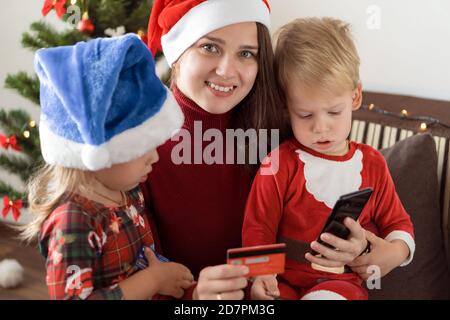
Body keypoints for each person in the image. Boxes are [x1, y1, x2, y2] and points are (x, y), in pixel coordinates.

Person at [243, 17, 415, 300]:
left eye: (334, 112)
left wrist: (397, 252)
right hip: (282, 283)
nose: (321, 127)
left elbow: (399, 224)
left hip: (341, 285)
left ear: (355, 96)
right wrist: (261, 276)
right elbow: (258, 226)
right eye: (305, 115)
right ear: (287, 108)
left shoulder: (372, 165)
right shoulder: (279, 164)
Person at [21, 34, 195, 300]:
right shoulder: (74, 221)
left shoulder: (126, 189)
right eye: (139, 147)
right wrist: (152, 280)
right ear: (95, 156)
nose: (155, 158)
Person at [142, 0, 286, 300]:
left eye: (246, 53)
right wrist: (194, 295)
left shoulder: (274, 133)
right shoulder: (140, 146)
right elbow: (137, 271)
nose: (227, 70)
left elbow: (281, 227)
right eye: (210, 47)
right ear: (178, 52)